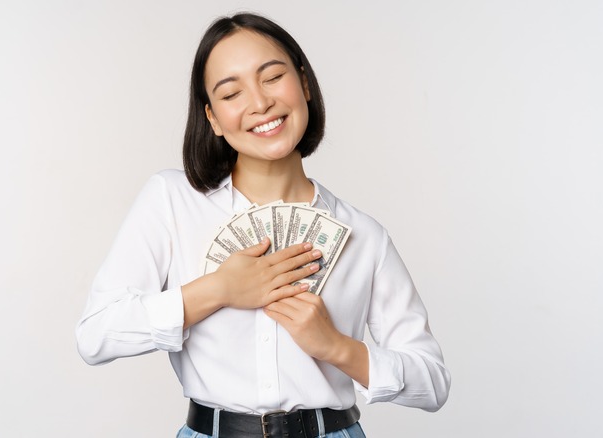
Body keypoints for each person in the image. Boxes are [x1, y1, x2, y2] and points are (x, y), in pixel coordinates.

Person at [76, 12, 451, 438]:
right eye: (232, 92)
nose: (259, 103)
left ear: (304, 84)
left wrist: (336, 347)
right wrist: (218, 290)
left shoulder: (363, 235)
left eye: (272, 77)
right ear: (213, 118)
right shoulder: (171, 200)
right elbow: (96, 335)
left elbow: (433, 382)